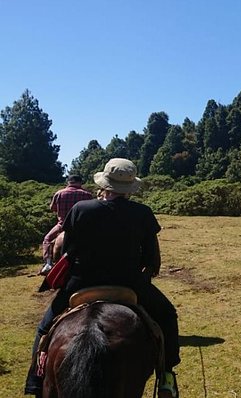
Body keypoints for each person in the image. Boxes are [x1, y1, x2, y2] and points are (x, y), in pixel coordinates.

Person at [25, 158, 180, 398]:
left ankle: (35, 381)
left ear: (104, 183)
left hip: (81, 283)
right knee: (168, 315)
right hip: (129, 283)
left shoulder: (81, 209)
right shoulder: (142, 213)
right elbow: (151, 259)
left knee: (45, 327)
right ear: (130, 186)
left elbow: (68, 249)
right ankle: (167, 377)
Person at [39, 174, 93, 275]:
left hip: (62, 225)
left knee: (47, 239)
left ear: (68, 182)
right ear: (80, 182)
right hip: (83, 227)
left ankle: (48, 264)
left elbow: (52, 208)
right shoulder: (87, 195)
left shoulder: (59, 193)